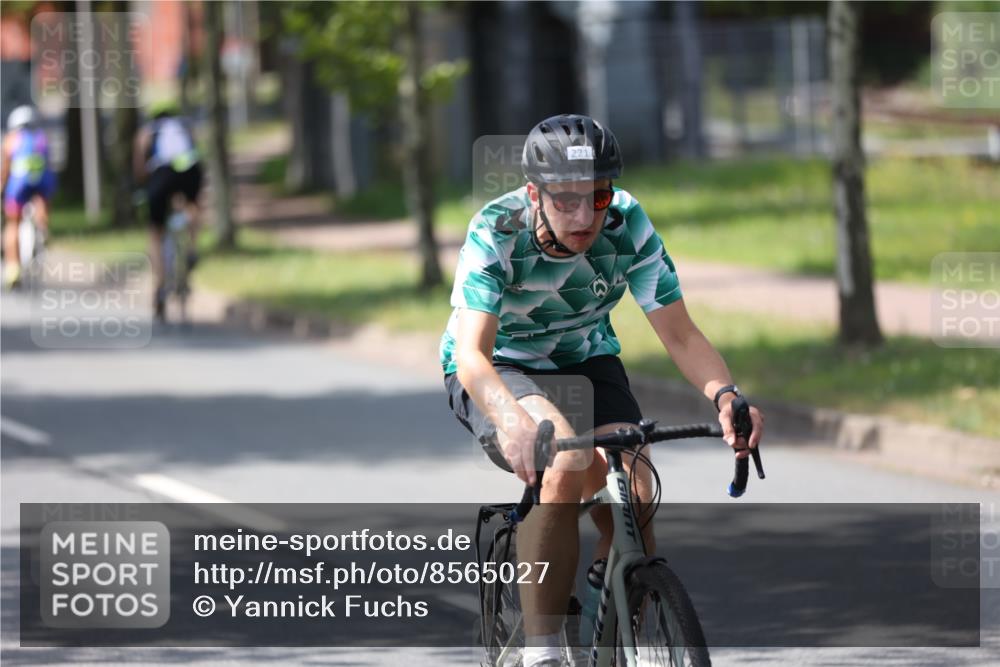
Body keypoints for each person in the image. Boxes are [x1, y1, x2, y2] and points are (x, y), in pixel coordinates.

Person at [441, 114, 764, 667]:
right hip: (501, 365)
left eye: (596, 197)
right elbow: (472, 355)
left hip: (587, 357)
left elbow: (681, 334)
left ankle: (613, 615)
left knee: (634, 493)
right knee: (566, 463)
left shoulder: (626, 221)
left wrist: (726, 396)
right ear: (535, 195)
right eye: (565, 200)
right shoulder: (496, 230)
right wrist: (513, 422)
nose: (584, 216)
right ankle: (543, 652)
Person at [132, 99, 203, 318]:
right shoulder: (184, 125)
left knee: (155, 232)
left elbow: (140, 167)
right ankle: (192, 248)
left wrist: (143, 183)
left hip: (162, 172)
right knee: (193, 206)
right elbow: (195, 148)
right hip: (190, 168)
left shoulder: (148, 130)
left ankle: (160, 285)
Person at [2, 105, 55, 289]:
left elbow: (4, 169)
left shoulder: (11, 140)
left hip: (18, 185)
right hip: (42, 183)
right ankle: (43, 226)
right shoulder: (42, 138)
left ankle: (13, 270)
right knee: (41, 201)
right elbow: (49, 164)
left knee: (12, 223)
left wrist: (2, 187)